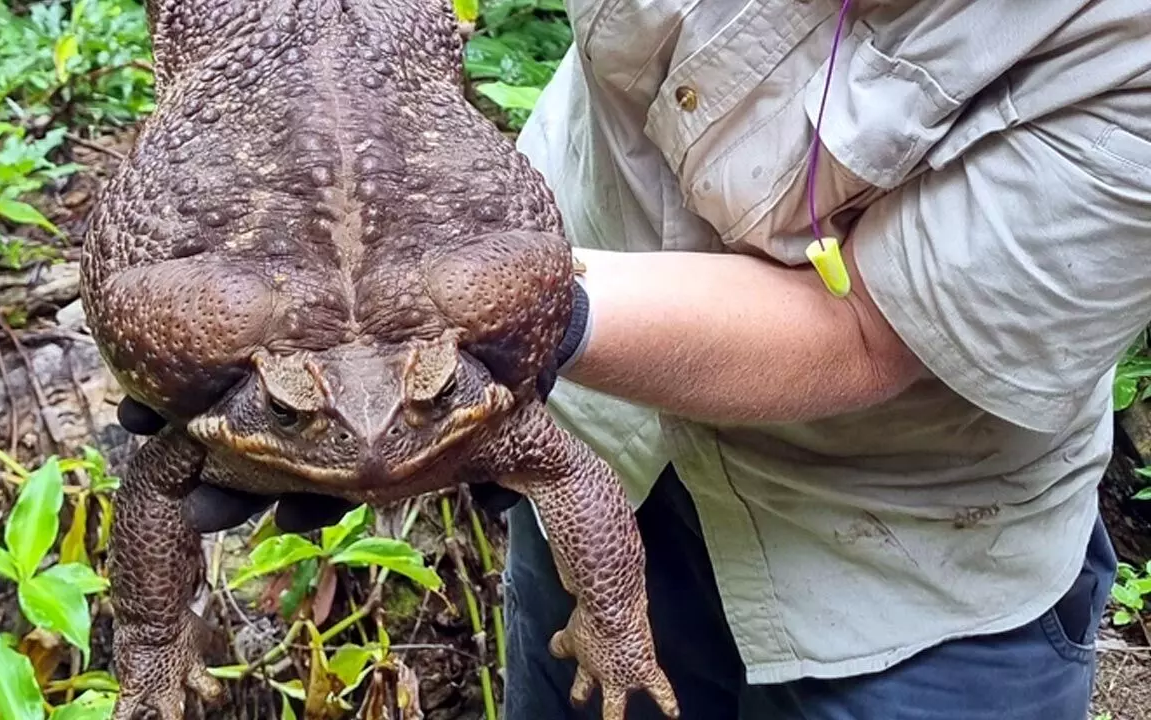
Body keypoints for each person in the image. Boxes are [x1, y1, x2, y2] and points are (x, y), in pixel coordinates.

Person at [118, 0, 1151, 717]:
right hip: (556, 391)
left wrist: (525, 327)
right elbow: (157, 480)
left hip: (902, 548)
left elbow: (868, 334)